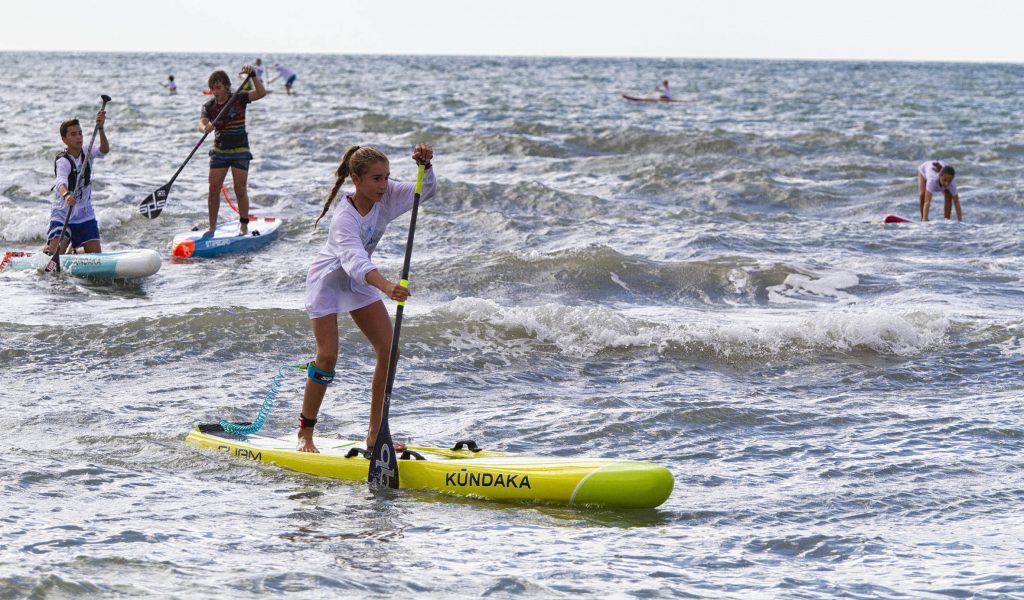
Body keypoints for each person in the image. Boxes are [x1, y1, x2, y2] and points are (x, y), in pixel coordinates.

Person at [298, 143, 437, 453]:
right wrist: (386, 286)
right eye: (376, 178)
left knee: (390, 350)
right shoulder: (343, 219)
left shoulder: (383, 198)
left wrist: (425, 167)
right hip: (328, 282)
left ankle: (375, 434)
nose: (384, 185)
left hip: (359, 282)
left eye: (386, 177)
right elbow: (354, 260)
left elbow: (423, 191)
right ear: (356, 179)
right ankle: (305, 434)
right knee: (328, 357)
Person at [200, 65, 266, 236]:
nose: (215, 91)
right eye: (212, 88)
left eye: (219, 88)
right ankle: (212, 227)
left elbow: (261, 93)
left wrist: (253, 76)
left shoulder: (239, 98)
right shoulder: (209, 106)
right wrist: (204, 127)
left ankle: (243, 225)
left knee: (240, 189)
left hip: (240, 150)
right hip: (219, 151)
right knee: (213, 189)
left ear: (227, 87)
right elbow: (202, 123)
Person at [47, 112, 109, 255]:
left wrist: (100, 128)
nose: (79, 137)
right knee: (55, 257)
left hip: (85, 214)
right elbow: (60, 183)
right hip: (63, 214)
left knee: (95, 257)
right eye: (73, 134)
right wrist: (67, 195)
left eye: (80, 133)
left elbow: (104, 150)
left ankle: (75, 250)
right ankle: (54, 249)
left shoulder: (87, 151)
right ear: (64, 139)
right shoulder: (63, 161)